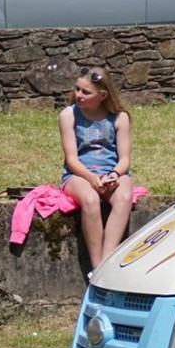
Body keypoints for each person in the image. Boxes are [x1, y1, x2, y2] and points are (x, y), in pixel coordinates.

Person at [59, 67, 134, 268]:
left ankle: (106, 261)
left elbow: (124, 159)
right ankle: (96, 266)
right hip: (79, 175)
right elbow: (72, 159)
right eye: (77, 89)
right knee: (91, 200)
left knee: (125, 197)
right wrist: (92, 178)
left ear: (103, 95)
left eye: (86, 92)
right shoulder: (69, 115)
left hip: (112, 173)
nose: (78, 95)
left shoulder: (120, 118)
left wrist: (114, 175)